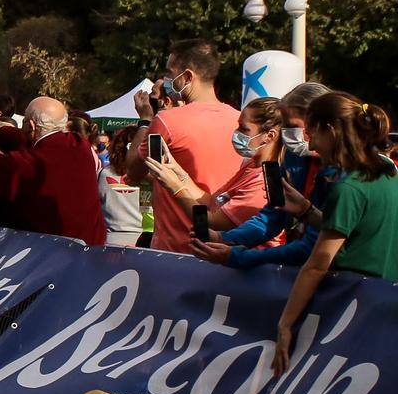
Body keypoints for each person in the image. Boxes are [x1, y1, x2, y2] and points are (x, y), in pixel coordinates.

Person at [273, 93, 398, 374]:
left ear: (331, 130)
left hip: (356, 316)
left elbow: (317, 265)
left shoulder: (348, 188)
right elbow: (356, 231)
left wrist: (285, 324)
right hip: (388, 308)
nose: (310, 144)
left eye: (313, 134)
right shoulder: (387, 169)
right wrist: (307, 211)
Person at [190, 83, 335, 270]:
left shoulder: (345, 172)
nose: (286, 135)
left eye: (292, 126)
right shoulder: (293, 159)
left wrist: (238, 257)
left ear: (321, 124)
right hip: (302, 269)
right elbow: (272, 215)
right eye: (285, 126)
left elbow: (314, 244)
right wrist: (224, 239)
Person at [0, 98, 110, 244]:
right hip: (90, 249)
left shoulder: (28, 165)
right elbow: (35, 142)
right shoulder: (78, 144)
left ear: (32, 126)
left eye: (24, 122)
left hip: (52, 255)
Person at [125, 39, 242, 254]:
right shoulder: (241, 121)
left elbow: (132, 172)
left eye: (170, 74)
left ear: (188, 76)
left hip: (175, 248)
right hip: (223, 247)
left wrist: (144, 121)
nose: (166, 80)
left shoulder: (167, 122)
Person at [148, 96, 277, 249]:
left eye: (244, 129)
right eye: (237, 127)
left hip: (253, 268)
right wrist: (179, 173)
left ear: (269, 136)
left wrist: (176, 188)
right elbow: (211, 202)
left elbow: (214, 222)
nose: (236, 133)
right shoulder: (250, 165)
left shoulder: (264, 180)